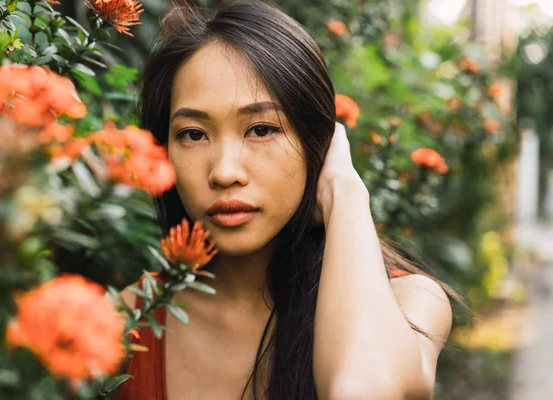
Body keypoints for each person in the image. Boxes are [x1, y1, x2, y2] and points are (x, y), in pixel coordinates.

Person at [119, 1, 454, 399]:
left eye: (261, 129)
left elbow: (361, 390)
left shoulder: (409, 303)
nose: (224, 172)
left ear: (317, 145)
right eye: (193, 134)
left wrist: (343, 192)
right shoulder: (131, 317)